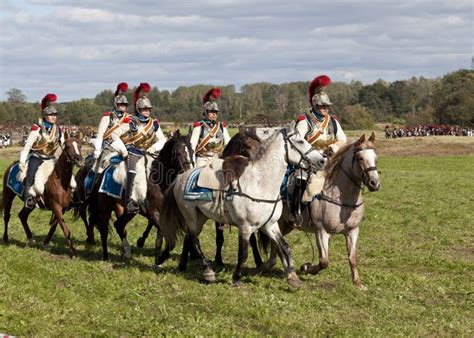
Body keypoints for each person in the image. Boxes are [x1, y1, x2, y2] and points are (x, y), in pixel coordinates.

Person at [291, 75, 347, 225]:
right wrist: (312, 153)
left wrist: (334, 147)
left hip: (329, 159)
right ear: (315, 106)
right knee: (301, 176)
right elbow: (297, 141)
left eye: (327, 106)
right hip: (309, 160)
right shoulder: (305, 121)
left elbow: (343, 140)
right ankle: (296, 210)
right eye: (322, 106)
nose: (325, 109)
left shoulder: (333, 121)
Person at [121, 83, 167, 214]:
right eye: (144, 109)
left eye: (148, 109)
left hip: (149, 153)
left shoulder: (154, 123)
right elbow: (119, 135)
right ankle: (129, 200)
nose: (147, 111)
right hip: (134, 152)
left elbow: (162, 139)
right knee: (132, 173)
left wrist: (153, 148)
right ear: (139, 110)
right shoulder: (132, 122)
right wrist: (124, 148)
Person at [19, 93, 64, 209]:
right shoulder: (37, 128)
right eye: (50, 115)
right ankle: (28, 197)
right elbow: (27, 146)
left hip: (51, 159)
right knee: (30, 175)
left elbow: (63, 145)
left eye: (55, 114)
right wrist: (22, 162)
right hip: (37, 157)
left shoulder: (58, 129)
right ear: (45, 115)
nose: (53, 117)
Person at [91, 82, 131, 176]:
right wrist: (97, 150)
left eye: (124, 104)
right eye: (121, 104)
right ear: (116, 104)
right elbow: (100, 134)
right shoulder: (108, 117)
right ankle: (93, 187)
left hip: (126, 147)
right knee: (100, 170)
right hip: (109, 147)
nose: (123, 106)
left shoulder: (129, 117)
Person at [190, 87, 231, 167]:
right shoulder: (199, 126)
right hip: (202, 159)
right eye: (211, 112)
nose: (214, 114)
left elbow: (228, 143)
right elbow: (192, 146)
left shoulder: (221, 127)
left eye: (215, 112)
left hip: (217, 159)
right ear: (205, 112)